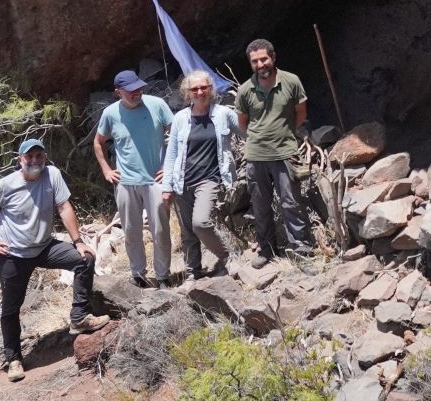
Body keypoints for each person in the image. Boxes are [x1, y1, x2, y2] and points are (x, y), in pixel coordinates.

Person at [0, 138, 109, 382]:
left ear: (45, 157)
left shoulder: (52, 174)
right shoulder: (6, 185)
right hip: (14, 254)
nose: (35, 160)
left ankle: (79, 317)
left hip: (45, 247)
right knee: (11, 307)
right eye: (29, 156)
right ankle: (14, 359)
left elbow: (64, 207)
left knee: (84, 259)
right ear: (20, 160)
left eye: (39, 156)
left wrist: (78, 241)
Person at [93, 69, 176, 287]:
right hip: (126, 182)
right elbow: (98, 142)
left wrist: (170, 167)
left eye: (139, 88)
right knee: (131, 232)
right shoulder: (111, 113)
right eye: (131, 90)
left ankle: (163, 276)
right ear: (118, 92)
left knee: (161, 231)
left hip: (156, 180)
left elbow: (178, 135)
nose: (137, 92)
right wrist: (106, 170)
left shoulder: (157, 105)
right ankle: (138, 275)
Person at [160, 70, 241, 277]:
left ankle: (227, 256)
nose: (199, 92)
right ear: (187, 92)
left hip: (210, 179)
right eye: (194, 89)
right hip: (182, 182)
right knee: (188, 233)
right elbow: (172, 154)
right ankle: (193, 273)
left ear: (210, 89)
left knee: (200, 223)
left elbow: (249, 133)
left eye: (204, 87)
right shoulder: (181, 118)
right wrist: (167, 187)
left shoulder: (224, 114)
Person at [236, 38, 311, 261]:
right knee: (260, 206)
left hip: (285, 153)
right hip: (256, 156)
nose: (260, 65)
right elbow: (243, 123)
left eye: (264, 59)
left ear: (273, 57)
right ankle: (267, 249)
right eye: (255, 61)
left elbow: (301, 113)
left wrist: (284, 134)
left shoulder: (291, 81)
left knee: (291, 203)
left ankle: (302, 251)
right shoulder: (245, 90)